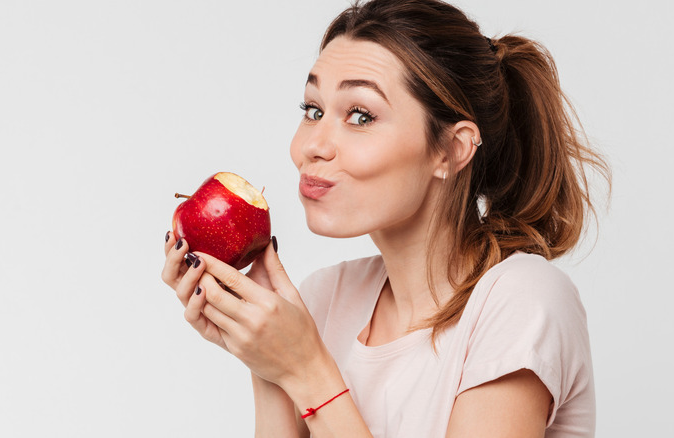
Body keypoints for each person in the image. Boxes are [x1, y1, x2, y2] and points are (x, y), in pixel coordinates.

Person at [161, 0, 609, 436]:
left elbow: (308, 376)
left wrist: (306, 370)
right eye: (313, 110)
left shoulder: (520, 300)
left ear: (452, 150)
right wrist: (264, 359)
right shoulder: (324, 300)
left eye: (360, 115)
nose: (313, 145)